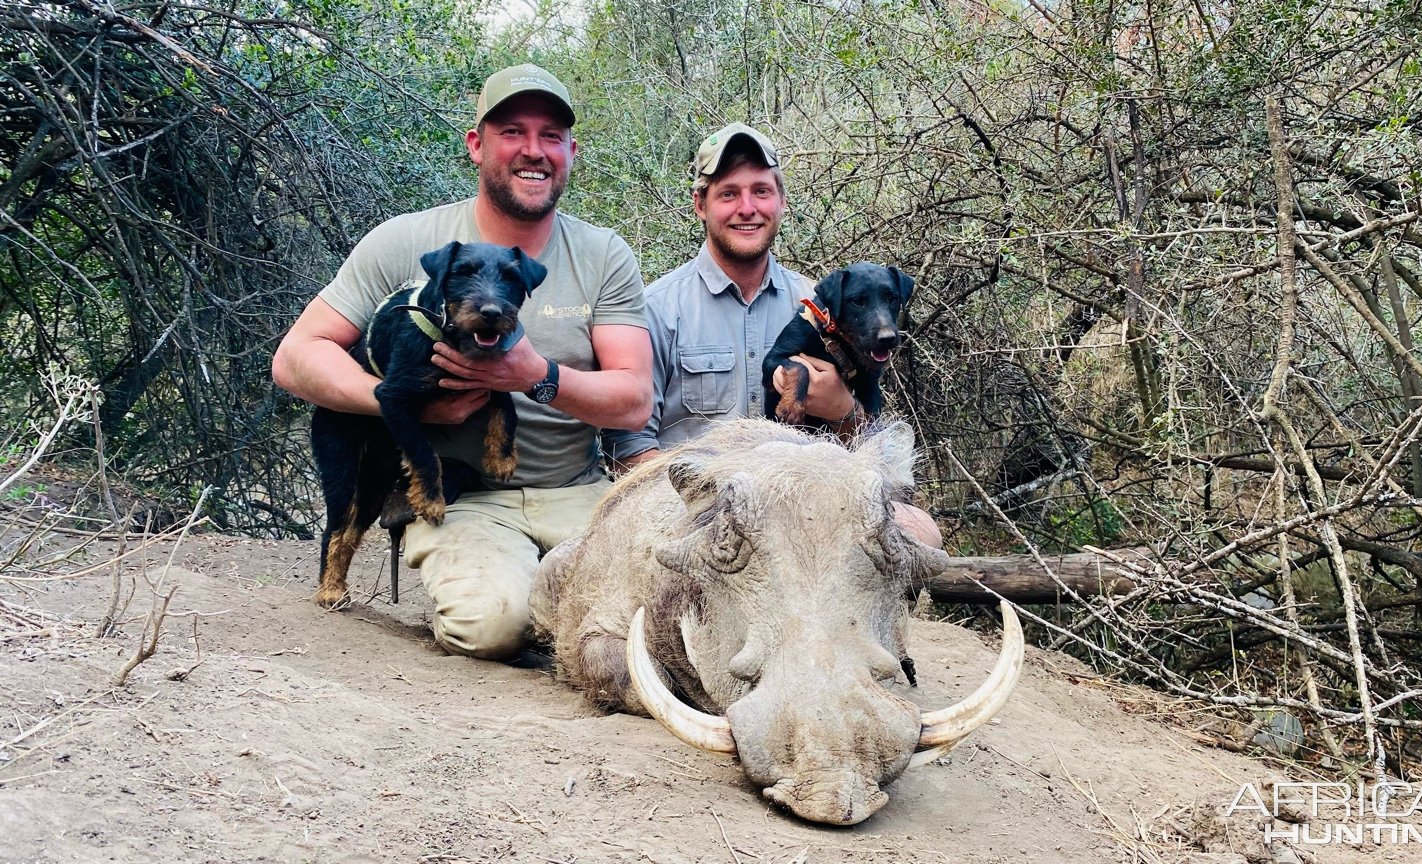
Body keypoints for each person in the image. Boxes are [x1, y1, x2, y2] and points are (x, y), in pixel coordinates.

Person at [273, 64, 652, 660]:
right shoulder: (403, 241)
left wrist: (536, 375)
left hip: (574, 490)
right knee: (492, 625)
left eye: (551, 135)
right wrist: (403, 401)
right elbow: (295, 358)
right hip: (463, 499)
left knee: (656, 606)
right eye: (512, 132)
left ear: (571, 151)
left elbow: (633, 401)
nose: (534, 150)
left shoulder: (604, 255)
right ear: (476, 144)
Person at [604, 123, 942, 546]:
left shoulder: (820, 306)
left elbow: (864, 441)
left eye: (761, 191)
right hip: (696, 514)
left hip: (804, 510)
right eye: (728, 193)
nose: (747, 208)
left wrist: (843, 411)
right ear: (700, 205)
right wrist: (691, 508)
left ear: (781, 201)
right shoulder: (657, 308)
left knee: (922, 533)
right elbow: (630, 444)